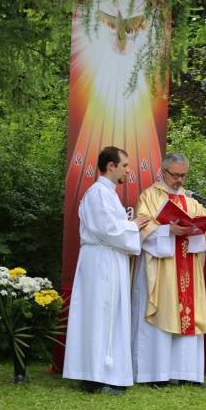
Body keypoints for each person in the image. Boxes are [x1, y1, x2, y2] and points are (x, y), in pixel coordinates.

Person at [63, 146, 150, 395]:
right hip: (100, 261)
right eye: (124, 165)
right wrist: (133, 226)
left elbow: (114, 228)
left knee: (109, 314)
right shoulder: (97, 194)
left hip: (110, 259)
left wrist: (129, 227)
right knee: (99, 315)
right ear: (110, 166)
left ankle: (107, 371)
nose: (128, 170)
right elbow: (107, 230)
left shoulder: (108, 194)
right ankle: (94, 375)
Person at [131, 153, 206, 387]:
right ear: (163, 172)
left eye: (183, 175)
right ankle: (154, 373)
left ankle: (187, 373)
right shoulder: (149, 196)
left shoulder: (192, 201)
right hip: (161, 267)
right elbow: (142, 228)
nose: (179, 180)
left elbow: (203, 229)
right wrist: (167, 231)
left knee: (188, 315)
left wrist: (199, 228)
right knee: (162, 316)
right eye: (175, 175)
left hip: (187, 265)